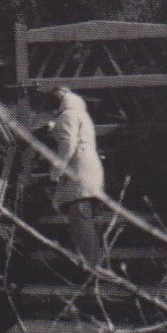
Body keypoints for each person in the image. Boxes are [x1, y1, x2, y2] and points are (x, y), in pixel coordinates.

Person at [28, 85, 106, 266]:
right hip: (91, 169)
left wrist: (56, 171)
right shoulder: (81, 114)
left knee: (80, 218)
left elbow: (67, 146)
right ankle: (96, 262)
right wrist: (52, 127)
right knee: (87, 217)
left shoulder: (67, 116)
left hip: (79, 172)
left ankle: (92, 267)